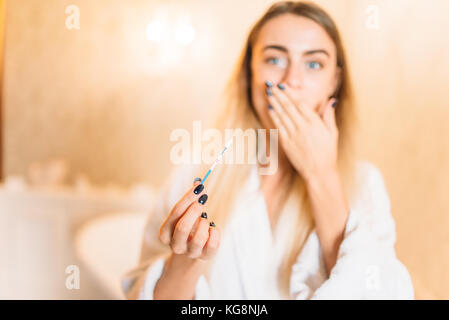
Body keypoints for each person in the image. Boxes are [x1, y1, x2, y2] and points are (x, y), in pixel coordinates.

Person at [122, 1, 414, 299]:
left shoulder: (365, 183)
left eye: (313, 64)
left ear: (334, 82)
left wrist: (321, 176)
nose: (291, 81)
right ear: (249, 75)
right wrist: (182, 264)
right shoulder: (197, 171)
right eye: (275, 59)